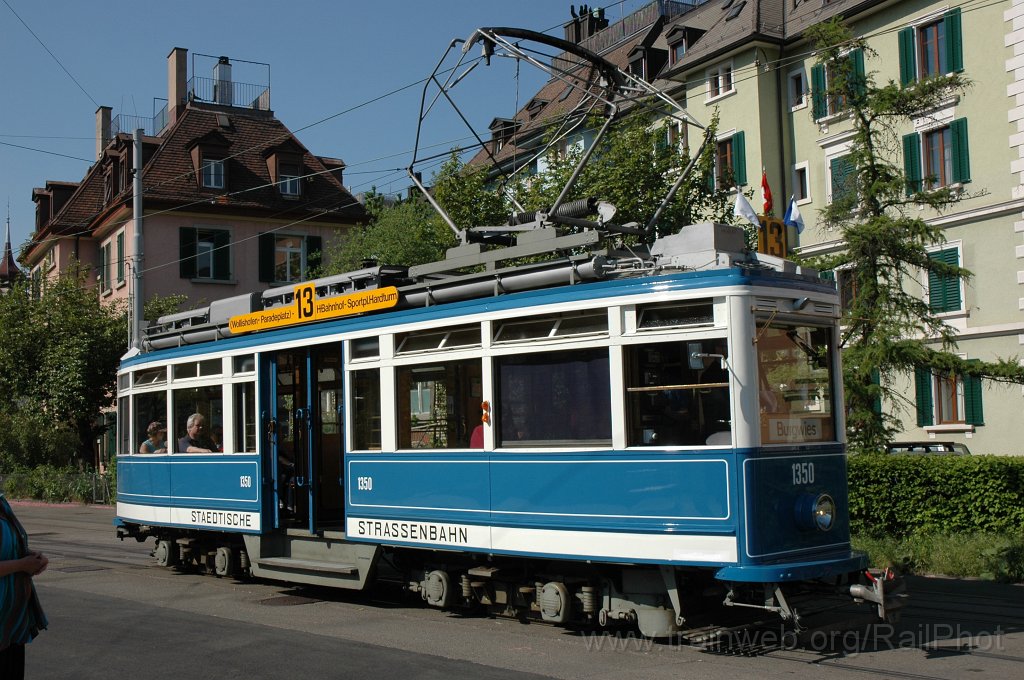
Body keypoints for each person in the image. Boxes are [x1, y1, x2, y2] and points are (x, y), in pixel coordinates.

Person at [0, 494, 48, 680]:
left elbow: (8, 547)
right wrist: (22, 565)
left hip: (11, 626)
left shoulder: (2, 503)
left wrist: (30, 557)